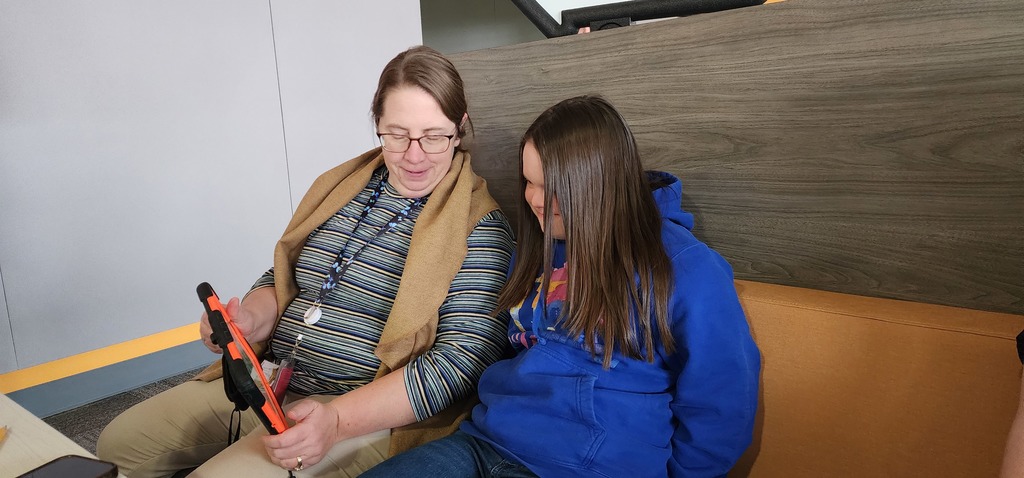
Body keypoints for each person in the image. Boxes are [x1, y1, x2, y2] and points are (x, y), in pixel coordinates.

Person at [96, 45, 515, 478]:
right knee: (115, 445)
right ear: (377, 124)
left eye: (433, 136)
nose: (414, 155)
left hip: (354, 410)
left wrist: (337, 422)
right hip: (271, 380)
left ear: (459, 129)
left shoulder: (479, 227)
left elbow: (461, 361)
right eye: (396, 134)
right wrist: (248, 322)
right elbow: (286, 277)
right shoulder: (343, 187)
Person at [361, 95, 761, 477]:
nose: (535, 199)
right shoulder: (535, 249)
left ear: (598, 182)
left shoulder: (685, 266)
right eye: (529, 181)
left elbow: (721, 398)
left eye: (551, 186)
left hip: (587, 465)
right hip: (485, 442)